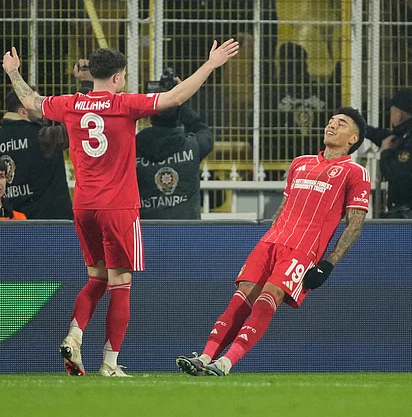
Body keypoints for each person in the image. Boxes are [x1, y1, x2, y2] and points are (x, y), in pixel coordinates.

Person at [2, 40, 239, 376]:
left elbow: (30, 101)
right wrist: (210, 64)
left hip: (83, 206)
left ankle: (75, 334)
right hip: (118, 207)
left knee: (96, 277)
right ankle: (110, 364)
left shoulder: (70, 104)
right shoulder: (125, 105)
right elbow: (175, 98)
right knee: (121, 281)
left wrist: (13, 72)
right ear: (116, 78)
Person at [176, 107, 369, 376]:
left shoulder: (355, 172)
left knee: (268, 298)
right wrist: (269, 234)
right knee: (240, 299)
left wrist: (328, 264)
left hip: (304, 249)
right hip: (272, 241)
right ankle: (205, 356)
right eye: (330, 121)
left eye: (341, 123)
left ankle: (226, 362)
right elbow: (285, 205)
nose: (331, 126)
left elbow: (355, 224)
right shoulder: (300, 162)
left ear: (353, 138)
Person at [0, 90, 73, 219]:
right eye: (36, 106)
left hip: (12, 227)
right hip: (53, 227)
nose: (42, 111)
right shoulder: (44, 137)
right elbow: (79, 126)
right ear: (23, 112)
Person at [137, 101, 213, 219]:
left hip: (146, 228)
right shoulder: (193, 146)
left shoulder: (133, 149)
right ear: (178, 117)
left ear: (149, 117)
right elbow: (201, 128)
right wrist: (180, 101)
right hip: (186, 229)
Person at [365, 88, 412, 218]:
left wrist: (385, 153)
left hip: (406, 213)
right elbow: (386, 137)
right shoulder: (405, 134)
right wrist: (361, 128)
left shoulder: (408, 140)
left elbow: (395, 174)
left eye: (391, 110)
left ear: (399, 115)